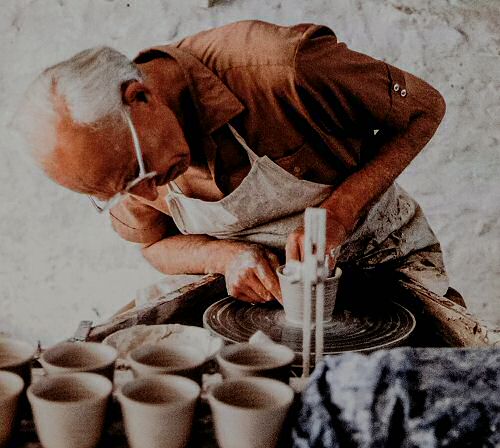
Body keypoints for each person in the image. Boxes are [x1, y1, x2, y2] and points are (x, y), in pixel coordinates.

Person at [15, 20, 455, 305]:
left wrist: (340, 212)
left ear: (140, 97)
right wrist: (224, 257)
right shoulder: (117, 165)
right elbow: (153, 246)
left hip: (381, 257)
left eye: (140, 173)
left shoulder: (281, 69)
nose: (147, 196)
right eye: (121, 191)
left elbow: (425, 108)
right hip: (264, 298)